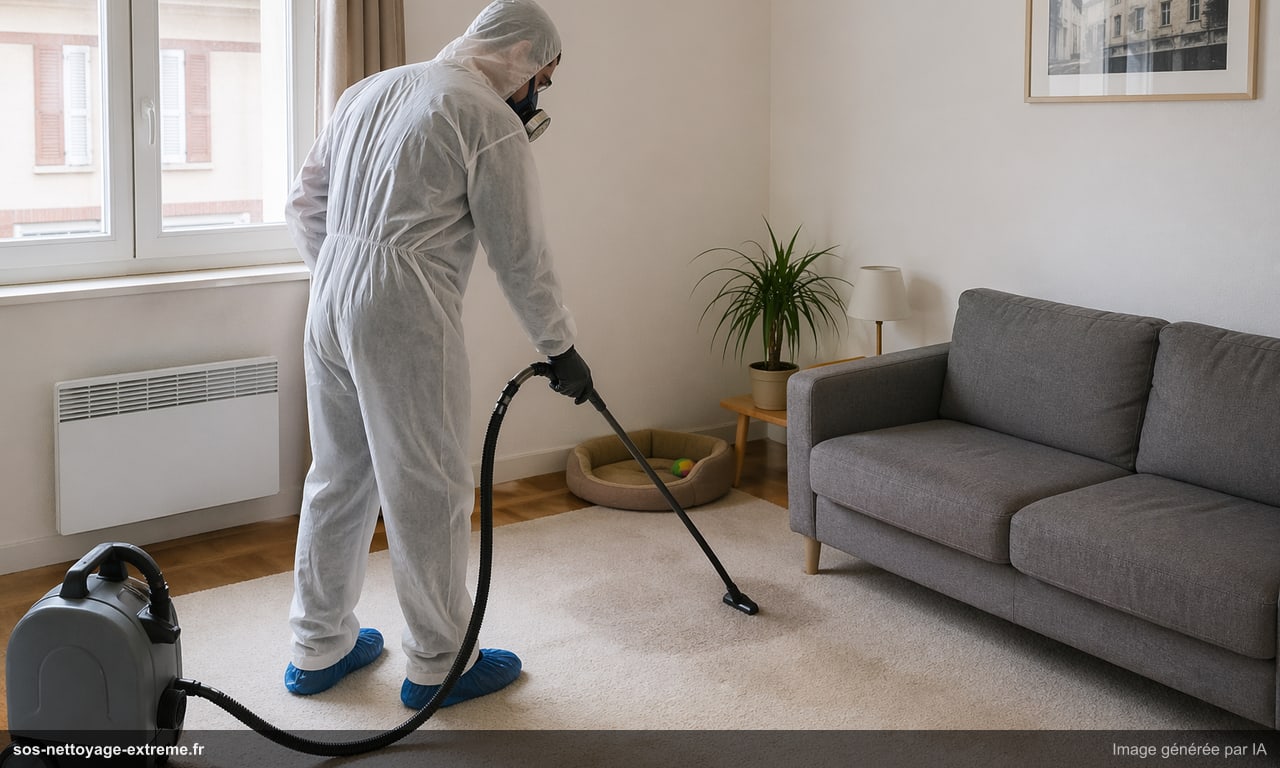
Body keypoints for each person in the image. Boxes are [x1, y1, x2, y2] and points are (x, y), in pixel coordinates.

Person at [282, 0, 591, 710]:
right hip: (402, 307)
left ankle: (318, 646)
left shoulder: (369, 89)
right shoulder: (486, 120)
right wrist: (561, 347)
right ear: (517, 55)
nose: (534, 96)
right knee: (429, 482)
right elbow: (522, 257)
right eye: (538, 78)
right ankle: (439, 662)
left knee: (339, 474)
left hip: (328, 293)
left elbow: (304, 205)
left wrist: (341, 277)